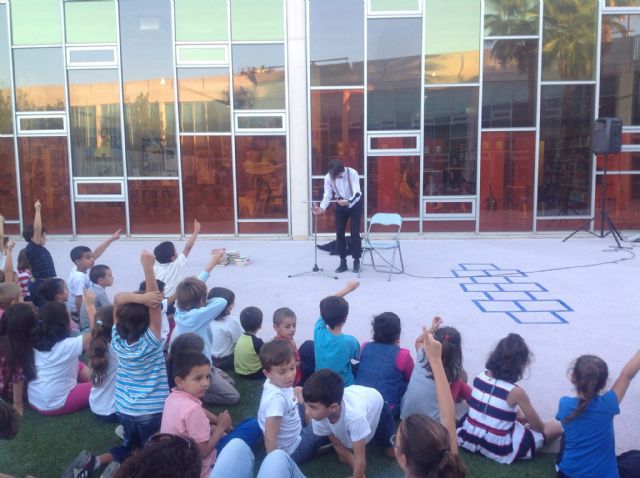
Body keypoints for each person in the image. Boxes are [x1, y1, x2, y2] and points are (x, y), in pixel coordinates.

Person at [63, 251, 165, 477]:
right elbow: (154, 303)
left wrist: (142, 293)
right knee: (152, 452)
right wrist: (149, 270)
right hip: (151, 412)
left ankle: (96, 461)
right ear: (149, 321)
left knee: (132, 447)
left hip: (125, 410)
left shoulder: (116, 340)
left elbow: (118, 299)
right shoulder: (153, 342)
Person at [457, 333, 562, 464]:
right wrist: (526, 421)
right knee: (556, 427)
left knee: (511, 415)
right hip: (498, 447)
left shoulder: (479, 377)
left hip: (468, 438)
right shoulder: (516, 392)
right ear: (521, 365)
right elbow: (539, 427)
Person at [161, 350, 261, 478]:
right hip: (201, 466)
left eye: (207, 376)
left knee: (231, 427)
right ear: (180, 381)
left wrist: (217, 422)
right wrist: (221, 427)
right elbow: (203, 453)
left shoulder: (172, 397)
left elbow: (201, 411)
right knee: (253, 425)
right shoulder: (192, 410)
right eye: (198, 378)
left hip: (179, 460)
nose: (205, 383)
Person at [394, 330, 467, 478]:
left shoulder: (452, 466)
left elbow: (447, 419)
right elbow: (447, 418)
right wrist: (436, 360)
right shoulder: (452, 469)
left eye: (395, 443)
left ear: (403, 459)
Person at [171, 250, 240, 406]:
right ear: (201, 301)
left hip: (204, 361)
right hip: (201, 365)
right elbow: (222, 302)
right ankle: (197, 395)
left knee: (230, 382)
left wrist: (212, 264)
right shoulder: (197, 316)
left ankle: (207, 380)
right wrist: (205, 301)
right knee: (233, 396)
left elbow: (193, 288)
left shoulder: (180, 308)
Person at [556, 350, 640, 478]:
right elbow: (626, 375)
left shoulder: (565, 404)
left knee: (566, 435)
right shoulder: (608, 404)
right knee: (635, 457)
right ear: (604, 383)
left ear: (573, 377)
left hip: (566, 474)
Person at [303, 369, 396, 478]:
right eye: (306, 405)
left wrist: (358, 475)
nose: (307, 412)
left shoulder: (354, 417)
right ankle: (361, 435)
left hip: (377, 405)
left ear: (333, 408)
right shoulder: (319, 416)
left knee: (392, 453)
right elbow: (337, 445)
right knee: (343, 457)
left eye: (312, 407)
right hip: (358, 399)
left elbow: (360, 458)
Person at [258, 340, 326, 464]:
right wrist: (275, 465)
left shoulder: (274, 383)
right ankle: (316, 442)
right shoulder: (276, 401)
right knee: (325, 422)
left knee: (298, 390)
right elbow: (270, 437)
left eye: (292, 368)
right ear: (267, 373)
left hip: (291, 428)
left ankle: (310, 425)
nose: (290, 375)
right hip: (293, 450)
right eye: (282, 371)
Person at [27, 301, 93, 415]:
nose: (71, 321)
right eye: (69, 318)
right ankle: (94, 382)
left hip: (34, 399)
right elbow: (96, 332)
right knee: (106, 386)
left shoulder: (33, 341)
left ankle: (93, 379)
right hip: (56, 403)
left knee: (79, 365)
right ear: (64, 324)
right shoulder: (66, 345)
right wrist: (89, 305)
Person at [401, 317, 470, 421]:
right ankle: (479, 400)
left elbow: (418, 341)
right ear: (457, 350)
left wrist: (431, 329)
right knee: (460, 380)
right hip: (432, 425)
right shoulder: (454, 371)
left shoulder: (422, 354)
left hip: (405, 416)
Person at [355, 312, 414, 417]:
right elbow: (410, 377)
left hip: (360, 402)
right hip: (387, 409)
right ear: (398, 334)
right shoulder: (402, 355)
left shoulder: (365, 347)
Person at [312, 159, 363, 273]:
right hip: (340, 204)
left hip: (354, 203)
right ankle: (343, 262)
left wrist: (348, 201)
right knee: (339, 233)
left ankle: (356, 261)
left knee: (355, 233)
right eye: (332, 175)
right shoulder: (328, 177)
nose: (334, 178)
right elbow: (327, 195)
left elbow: (357, 193)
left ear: (341, 171)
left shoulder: (352, 173)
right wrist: (322, 208)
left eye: (336, 175)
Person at [314, 280, 360, 385]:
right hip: (344, 387)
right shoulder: (350, 341)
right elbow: (359, 357)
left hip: (319, 383)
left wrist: (346, 289)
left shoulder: (318, 331)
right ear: (346, 318)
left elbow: (325, 308)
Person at [0, 303, 37, 417]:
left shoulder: (3, 342)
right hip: (17, 392)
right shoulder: (21, 351)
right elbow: (18, 379)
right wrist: (17, 403)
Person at [153, 219, 201, 297]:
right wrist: (196, 231)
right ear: (173, 258)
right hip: (170, 302)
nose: (177, 251)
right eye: (175, 250)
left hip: (157, 300)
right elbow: (188, 248)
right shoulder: (176, 265)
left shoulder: (153, 269)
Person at [88, 304, 118, 422]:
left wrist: (89, 305)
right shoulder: (118, 350)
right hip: (113, 411)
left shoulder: (95, 345)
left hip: (95, 405)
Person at [23, 201, 56, 307]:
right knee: (44, 308)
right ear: (34, 237)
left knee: (47, 307)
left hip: (45, 283)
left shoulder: (40, 249)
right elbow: (37, 229)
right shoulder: (33, 248)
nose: (45, 238)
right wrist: (38, 210)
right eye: (43, 236)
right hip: (39, 283)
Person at [207, 287, 242, 370]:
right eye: (232, 303)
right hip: (223, 361)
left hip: (207, 357)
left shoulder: (206, 317)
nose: (234, 304)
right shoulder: (232, 321)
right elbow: (240, 340)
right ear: (225, 307)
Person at [272, 307, 302, 386]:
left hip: (296, 370)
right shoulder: (279, 346)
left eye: (294, 325)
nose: (292, 329)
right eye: (287, 327)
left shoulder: (288, 338)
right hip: (289, 378)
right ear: (276, 327)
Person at [79, 264, 113, 331]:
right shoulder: (100, 293)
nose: (112, 278)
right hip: (90, 327)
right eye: (110, 276)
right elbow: (110, 310)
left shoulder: (92, 288)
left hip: (84, 325)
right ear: (101, 280)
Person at [234, 306, 265, 379]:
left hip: (239, 371)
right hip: (253, 374)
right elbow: (266, 357)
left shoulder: (240, 338)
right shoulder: (257, 342)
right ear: (260, 325)